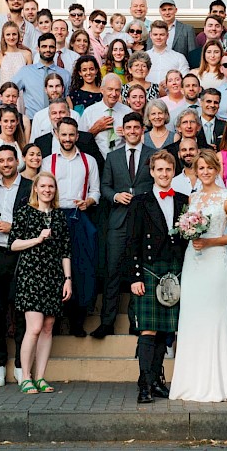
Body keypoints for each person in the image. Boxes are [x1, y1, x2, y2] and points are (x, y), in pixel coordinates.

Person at [169, 150, 227, 402]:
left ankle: (217, 383)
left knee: (215, 318)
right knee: (192, 318)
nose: (206, 172)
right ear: (196, 171)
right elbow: (184, 231)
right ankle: (190, 382)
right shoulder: (192, 198)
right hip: (194, 262)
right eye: (201, 168)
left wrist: (210, 241)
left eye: (210, 167)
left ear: (216, 169)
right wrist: (190, 234)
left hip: (216, 262)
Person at [126, 150, 189, 403]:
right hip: (149, 271)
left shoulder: (184, 200)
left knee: (166, 331)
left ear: (174, 172)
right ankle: (144, 384)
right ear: (152, 172)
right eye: (159, 169)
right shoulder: (139, 201)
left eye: (168, 169)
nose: (164, 174)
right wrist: (135, 277)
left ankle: (156, 381)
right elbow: (131, 241)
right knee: (148, 330)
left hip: (175, 270)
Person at [10, 172, 72, 394]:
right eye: (43, 186)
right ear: (35, 188)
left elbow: (65, 250)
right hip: (31, 274)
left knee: (47, 328)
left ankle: (41, 377)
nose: (47, 190)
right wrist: (37, 239)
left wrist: (68, 279)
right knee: (34, 327)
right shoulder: (25, 212)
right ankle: (25, 377)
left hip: (54, 275)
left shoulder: (59, 216)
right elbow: (13, 243)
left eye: (51, 187)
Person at [95, 112, 154, 338]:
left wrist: (138, 195)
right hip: (118, 222)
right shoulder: (113, 157)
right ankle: (107, 322)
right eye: (128, 127)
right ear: (123, 130)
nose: (132, 131)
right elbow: (105, 187)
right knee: (112, 273)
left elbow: (155, 184)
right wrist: (115, 196)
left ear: (142, 130)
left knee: (138, 274)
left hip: (143, 223)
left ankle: (136, 322)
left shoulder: (152, 155)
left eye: (136, 128)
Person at [44, 118, 101, 337]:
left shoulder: (89, 161)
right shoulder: (48, 162)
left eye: (71, 135)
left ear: (77, 136)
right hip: (55, 216)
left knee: (82, 266)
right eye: (63, 134)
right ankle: (56, 319)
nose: (67, 139)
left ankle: (78, 320)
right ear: (57, 135)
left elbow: (95, 190)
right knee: (55, 267)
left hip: (79, 216)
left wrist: (89, 201)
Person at [0, 145, 32, 387]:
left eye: (9, 160)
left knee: (21, 311)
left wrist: (12, 227)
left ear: (17, 161)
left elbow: (37, 222)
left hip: (21, 253)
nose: (5, 164)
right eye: (1, 160)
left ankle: (20, 365)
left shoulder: (29, 188)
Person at [0, 33, 71, 123]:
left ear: (55, 49)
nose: (48, 50)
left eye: (51, 47)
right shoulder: (26, 72)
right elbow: (6, 92)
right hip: (33, 122)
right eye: (44, 46)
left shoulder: (65, 74)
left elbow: (68, 101)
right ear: (38, 49)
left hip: (59, 122)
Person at [80, 74, 130, 157]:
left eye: (117, 90)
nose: (114, 94)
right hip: (97, 160)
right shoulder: (89, 112)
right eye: (110, 89)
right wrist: (94, 130)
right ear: (102, 90)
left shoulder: (127, 112)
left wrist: (128, 135)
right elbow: (80, 140)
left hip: (121, 160)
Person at [29, 73, 69, 141]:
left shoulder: (75, 115)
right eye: (51, 86)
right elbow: (34, 143)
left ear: (63, 89)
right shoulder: (39, 116)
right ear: (45, 90)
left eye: (57, 86)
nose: (54, 90)